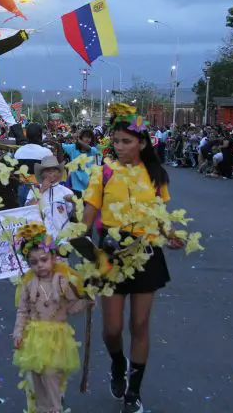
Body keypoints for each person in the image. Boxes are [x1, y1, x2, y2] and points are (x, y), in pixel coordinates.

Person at [81, 106, 171, 413]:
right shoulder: (102, 172)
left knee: (140, 324)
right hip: (110, 253)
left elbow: (160, 218)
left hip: (146, 253)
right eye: (116, 141)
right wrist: (75, 241)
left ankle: (133, 391)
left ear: (142, 143)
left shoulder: (157, 175)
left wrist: (170, 235)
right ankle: (118, 364)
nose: (119, 147)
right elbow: (87, 217)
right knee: (113, 329)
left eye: (126, 142)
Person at [12, 222, 91, 413]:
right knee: (36, 375)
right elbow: (22, 311)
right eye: (34, 262)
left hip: (56, 338)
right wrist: (18, 331)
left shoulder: (63, 283)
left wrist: (88, 299)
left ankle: (55, 408)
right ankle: (41, 408)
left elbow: (73, 308)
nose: (40, 265)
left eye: (44, 260)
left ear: (53, 258)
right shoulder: (28, 285)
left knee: (50, 374)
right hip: (35, 338)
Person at [26, 155, 75, 240]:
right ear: (42, 174)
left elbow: (72, 214)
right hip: (39, 237)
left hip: (63, 238)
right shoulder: (35, 189)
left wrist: (75, 203)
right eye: (48, 171)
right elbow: (27, 210)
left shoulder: (67, 191)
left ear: (59, 173)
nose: (51, 174)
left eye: (54, 170)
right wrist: (42, 189)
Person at [15, 123, 53, 206]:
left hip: (22, 188)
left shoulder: (19, 151)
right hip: (40, 189)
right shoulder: (46, 152)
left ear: (27, 136)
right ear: (40, 135)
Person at [63, 128, 100, 196]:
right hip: (75, 185)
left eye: (90, 137)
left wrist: (78, 140)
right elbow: (61, 146)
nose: (88, 139)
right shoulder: (73, 148)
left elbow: (88, 148)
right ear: (81, 137)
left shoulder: (93, 149)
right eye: (86, 137)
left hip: (89, 183)